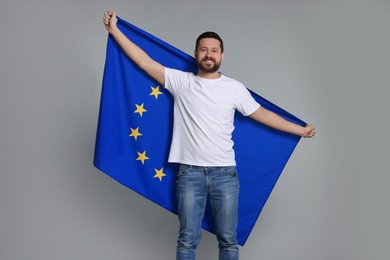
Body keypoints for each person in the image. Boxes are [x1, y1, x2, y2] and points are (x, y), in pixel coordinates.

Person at [103, 10, 316, 260]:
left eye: (214, 50)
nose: (208, 54)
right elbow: (144, 62)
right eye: (203, 49)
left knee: (228, 241)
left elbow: (264, 115)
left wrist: (299, 130)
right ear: (196, 54)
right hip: (189, 174)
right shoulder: (181, 81)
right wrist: (114, 30)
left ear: (222, 56)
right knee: (187, 240)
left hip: (224, 174)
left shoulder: (234, 88)